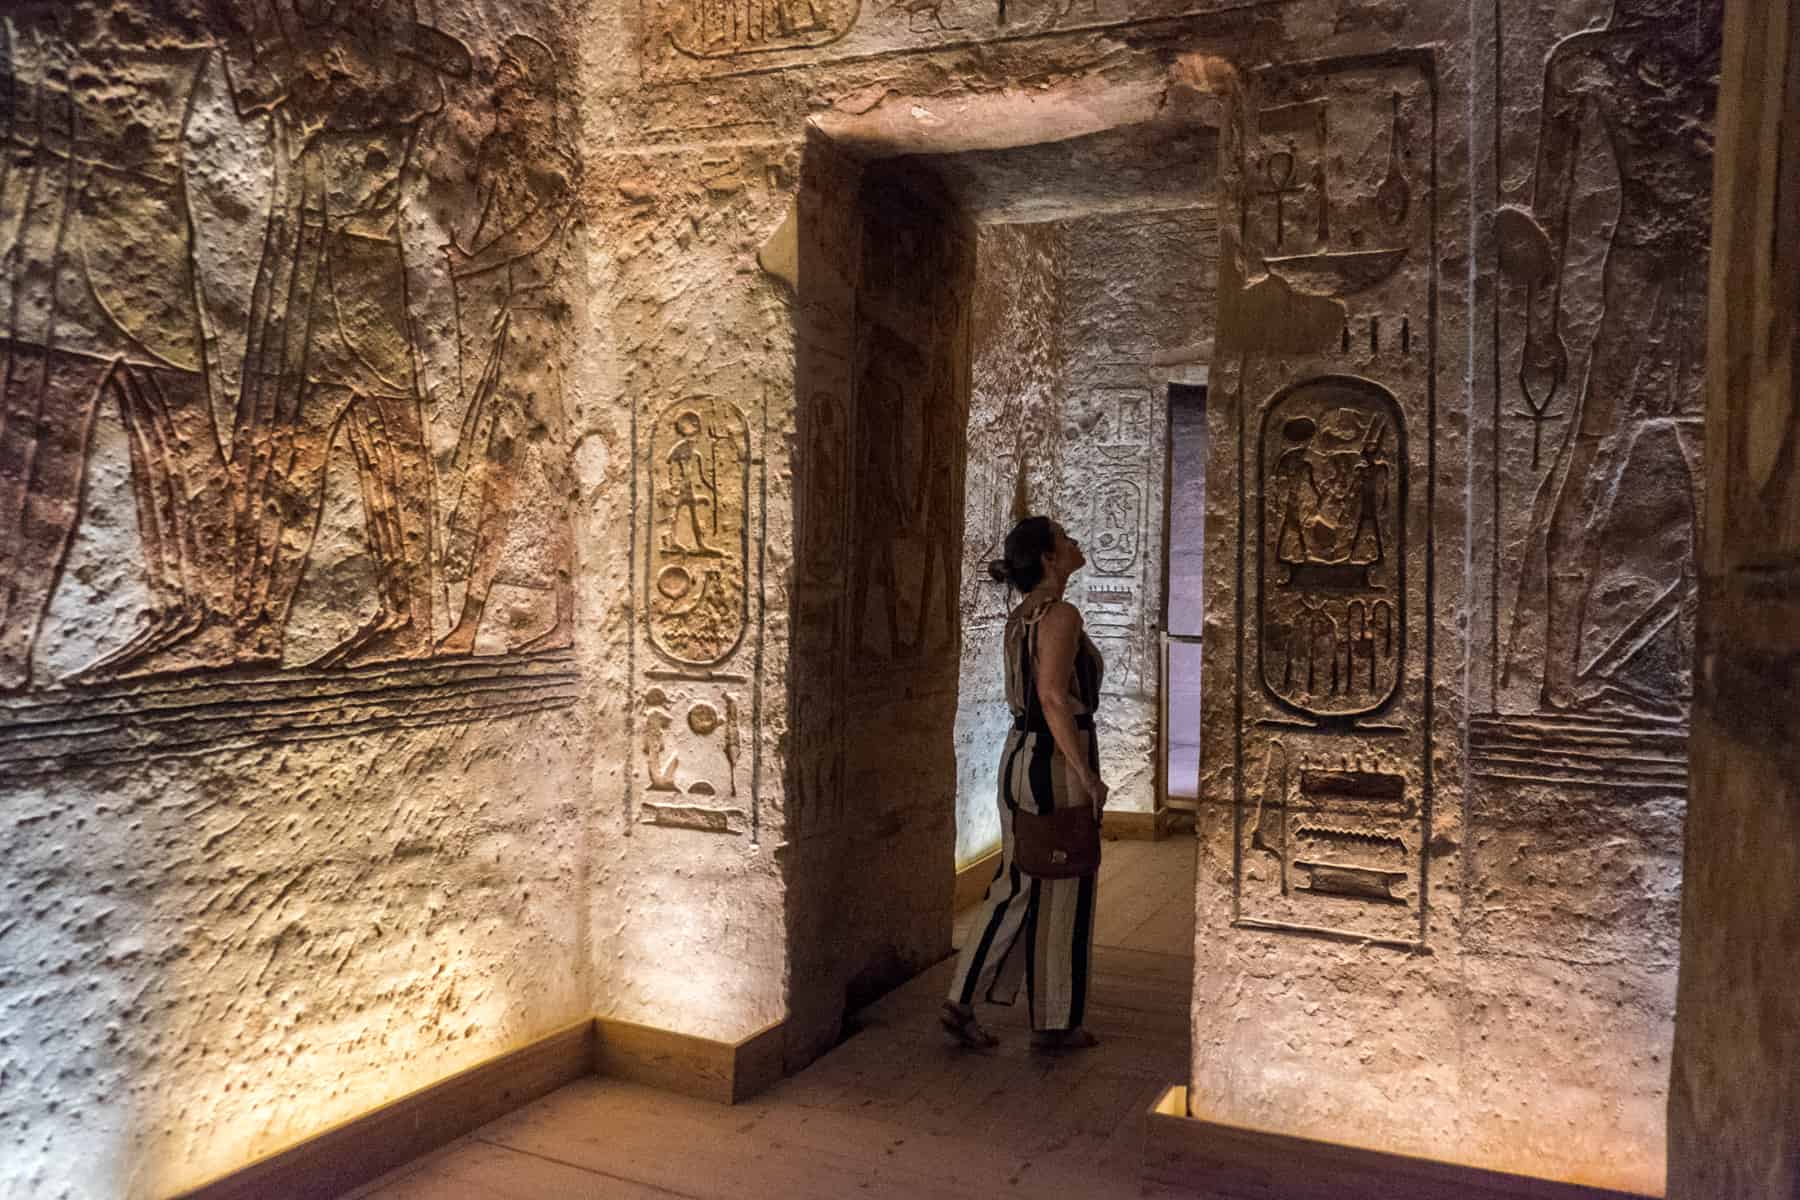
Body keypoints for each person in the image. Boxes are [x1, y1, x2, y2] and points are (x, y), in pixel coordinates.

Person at [941, 515, 1107, 1051]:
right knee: (1057, 881)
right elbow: (1054, 696)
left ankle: (1047, 1016)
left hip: (1024, 754)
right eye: (1065, 539)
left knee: (1023, 879)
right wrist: (1085, 773)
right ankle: (980, 1000)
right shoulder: (1059, 614)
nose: (1074, 541)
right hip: (1054, 761)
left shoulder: (1024, 616)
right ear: (1048, 559)